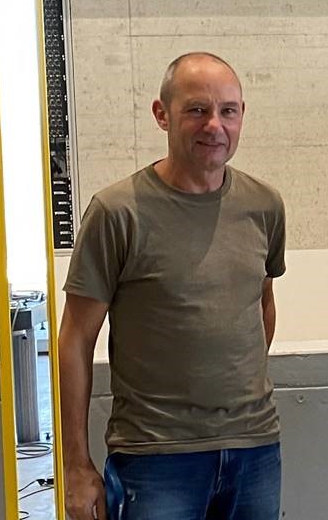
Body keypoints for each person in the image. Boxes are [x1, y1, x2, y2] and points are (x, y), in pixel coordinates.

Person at [59, 52, 286, 520]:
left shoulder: (264, 205)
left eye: (228, 110)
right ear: (162, 115)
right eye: (196, 110)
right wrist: (75, 465)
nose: (214, 126)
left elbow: (260, 305)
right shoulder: (117, 212)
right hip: (155, 458)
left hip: (254, 450)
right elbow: (75, 340)